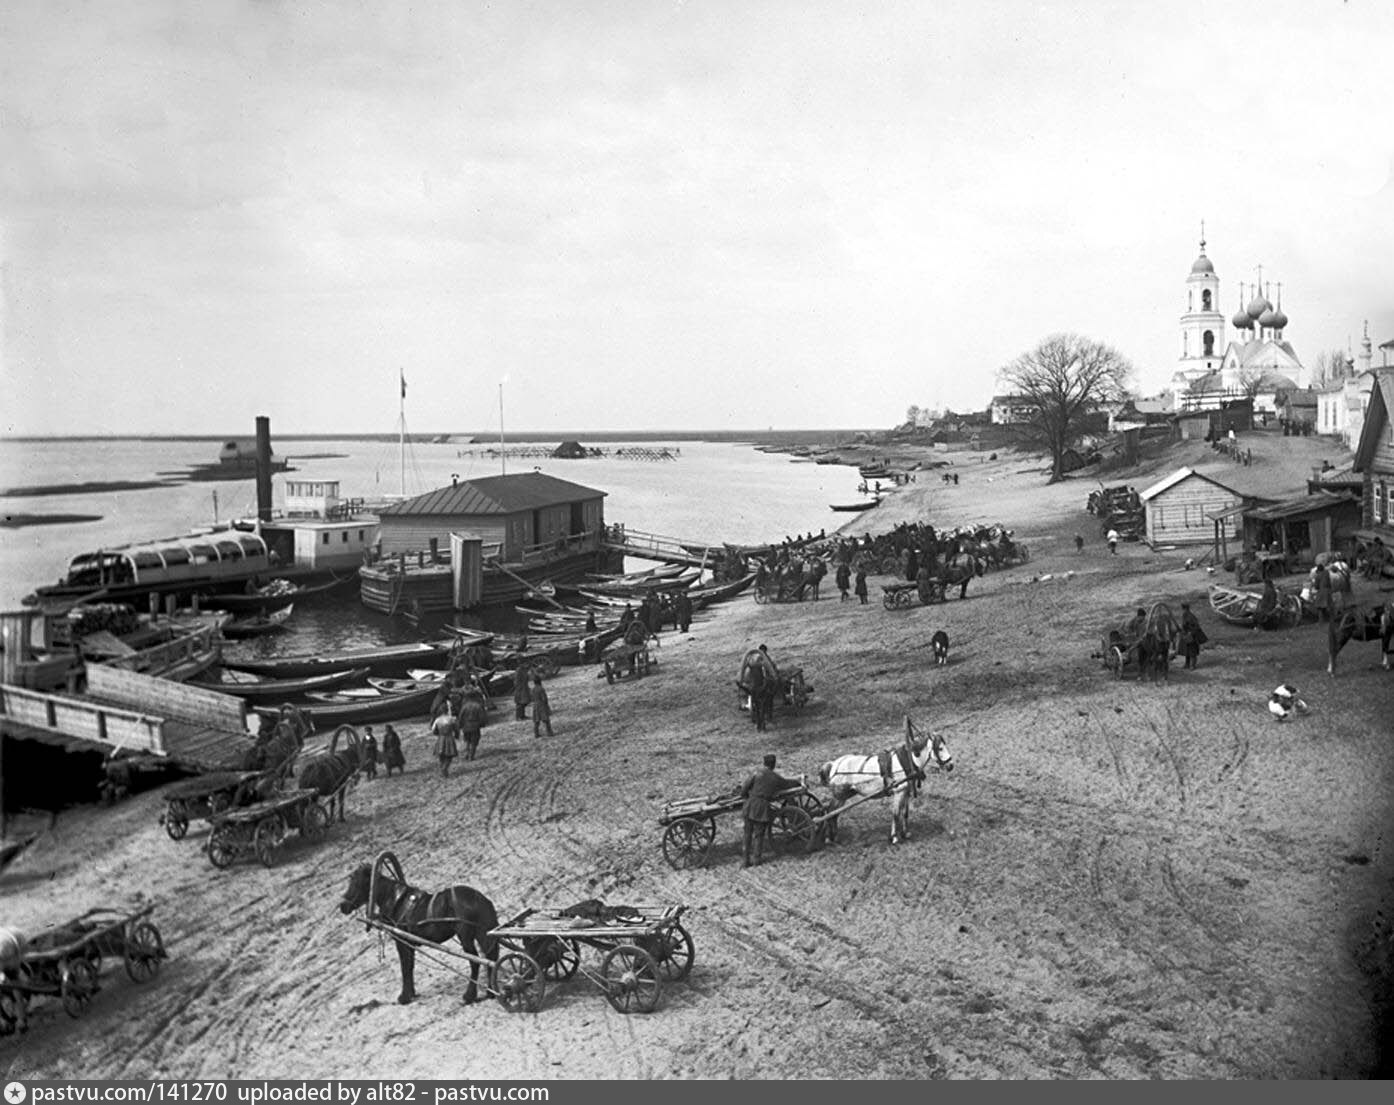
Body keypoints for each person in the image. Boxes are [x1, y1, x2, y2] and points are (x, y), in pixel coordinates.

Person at [741, 754, 799, 868]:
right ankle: (756, 860)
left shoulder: (756, 773)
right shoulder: (775, 777)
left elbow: (744, 788)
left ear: (764, 763)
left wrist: (745, 796)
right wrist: (798, 781)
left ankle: (745, 861)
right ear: (774, 764)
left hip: (750, 806)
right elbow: (786, 784)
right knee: (759, 834)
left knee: (747, 834)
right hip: (762, 807)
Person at [458, 689, 488, 760]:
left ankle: (467, 753)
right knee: (474, 742)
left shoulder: (464, 707)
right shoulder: (478, 706)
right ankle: (471, 756)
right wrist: (482, 724)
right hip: (475, 726)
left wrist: (460, 725)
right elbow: (482, 717)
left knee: (467, 740)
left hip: (465, 727)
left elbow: (460, 717)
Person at [1178, 602, 1208, 669]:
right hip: (1186, 635)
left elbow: (1196, 627)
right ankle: (1187, 664)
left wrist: (1190, 633)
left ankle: (1192, 665)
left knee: (1192, 652)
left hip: (1192, 636)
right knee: (1187, 651)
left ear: (1185, 608)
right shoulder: (1184, 615)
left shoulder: (1191, 616)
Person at [431, 709, 459, 778]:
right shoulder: (452, 719)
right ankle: (444, 769)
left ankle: (443, 769)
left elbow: (434, 730)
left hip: (441, 738)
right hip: (449, 738)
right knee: (450, 755)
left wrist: (439, 734)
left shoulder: (437, 720)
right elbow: (456, 729)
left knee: (441, 755)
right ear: (447, 711)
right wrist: (456, 735)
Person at [530, 674, 553, 738]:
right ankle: (549, 733)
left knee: (536, 721)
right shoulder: (541, 689)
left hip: (535, 706)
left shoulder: (533, 689)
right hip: (542, 705)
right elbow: (544, 698)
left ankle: (536, 734)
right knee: (546, 720)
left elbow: (531, 698)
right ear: (540, 681)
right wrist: (547, 705)